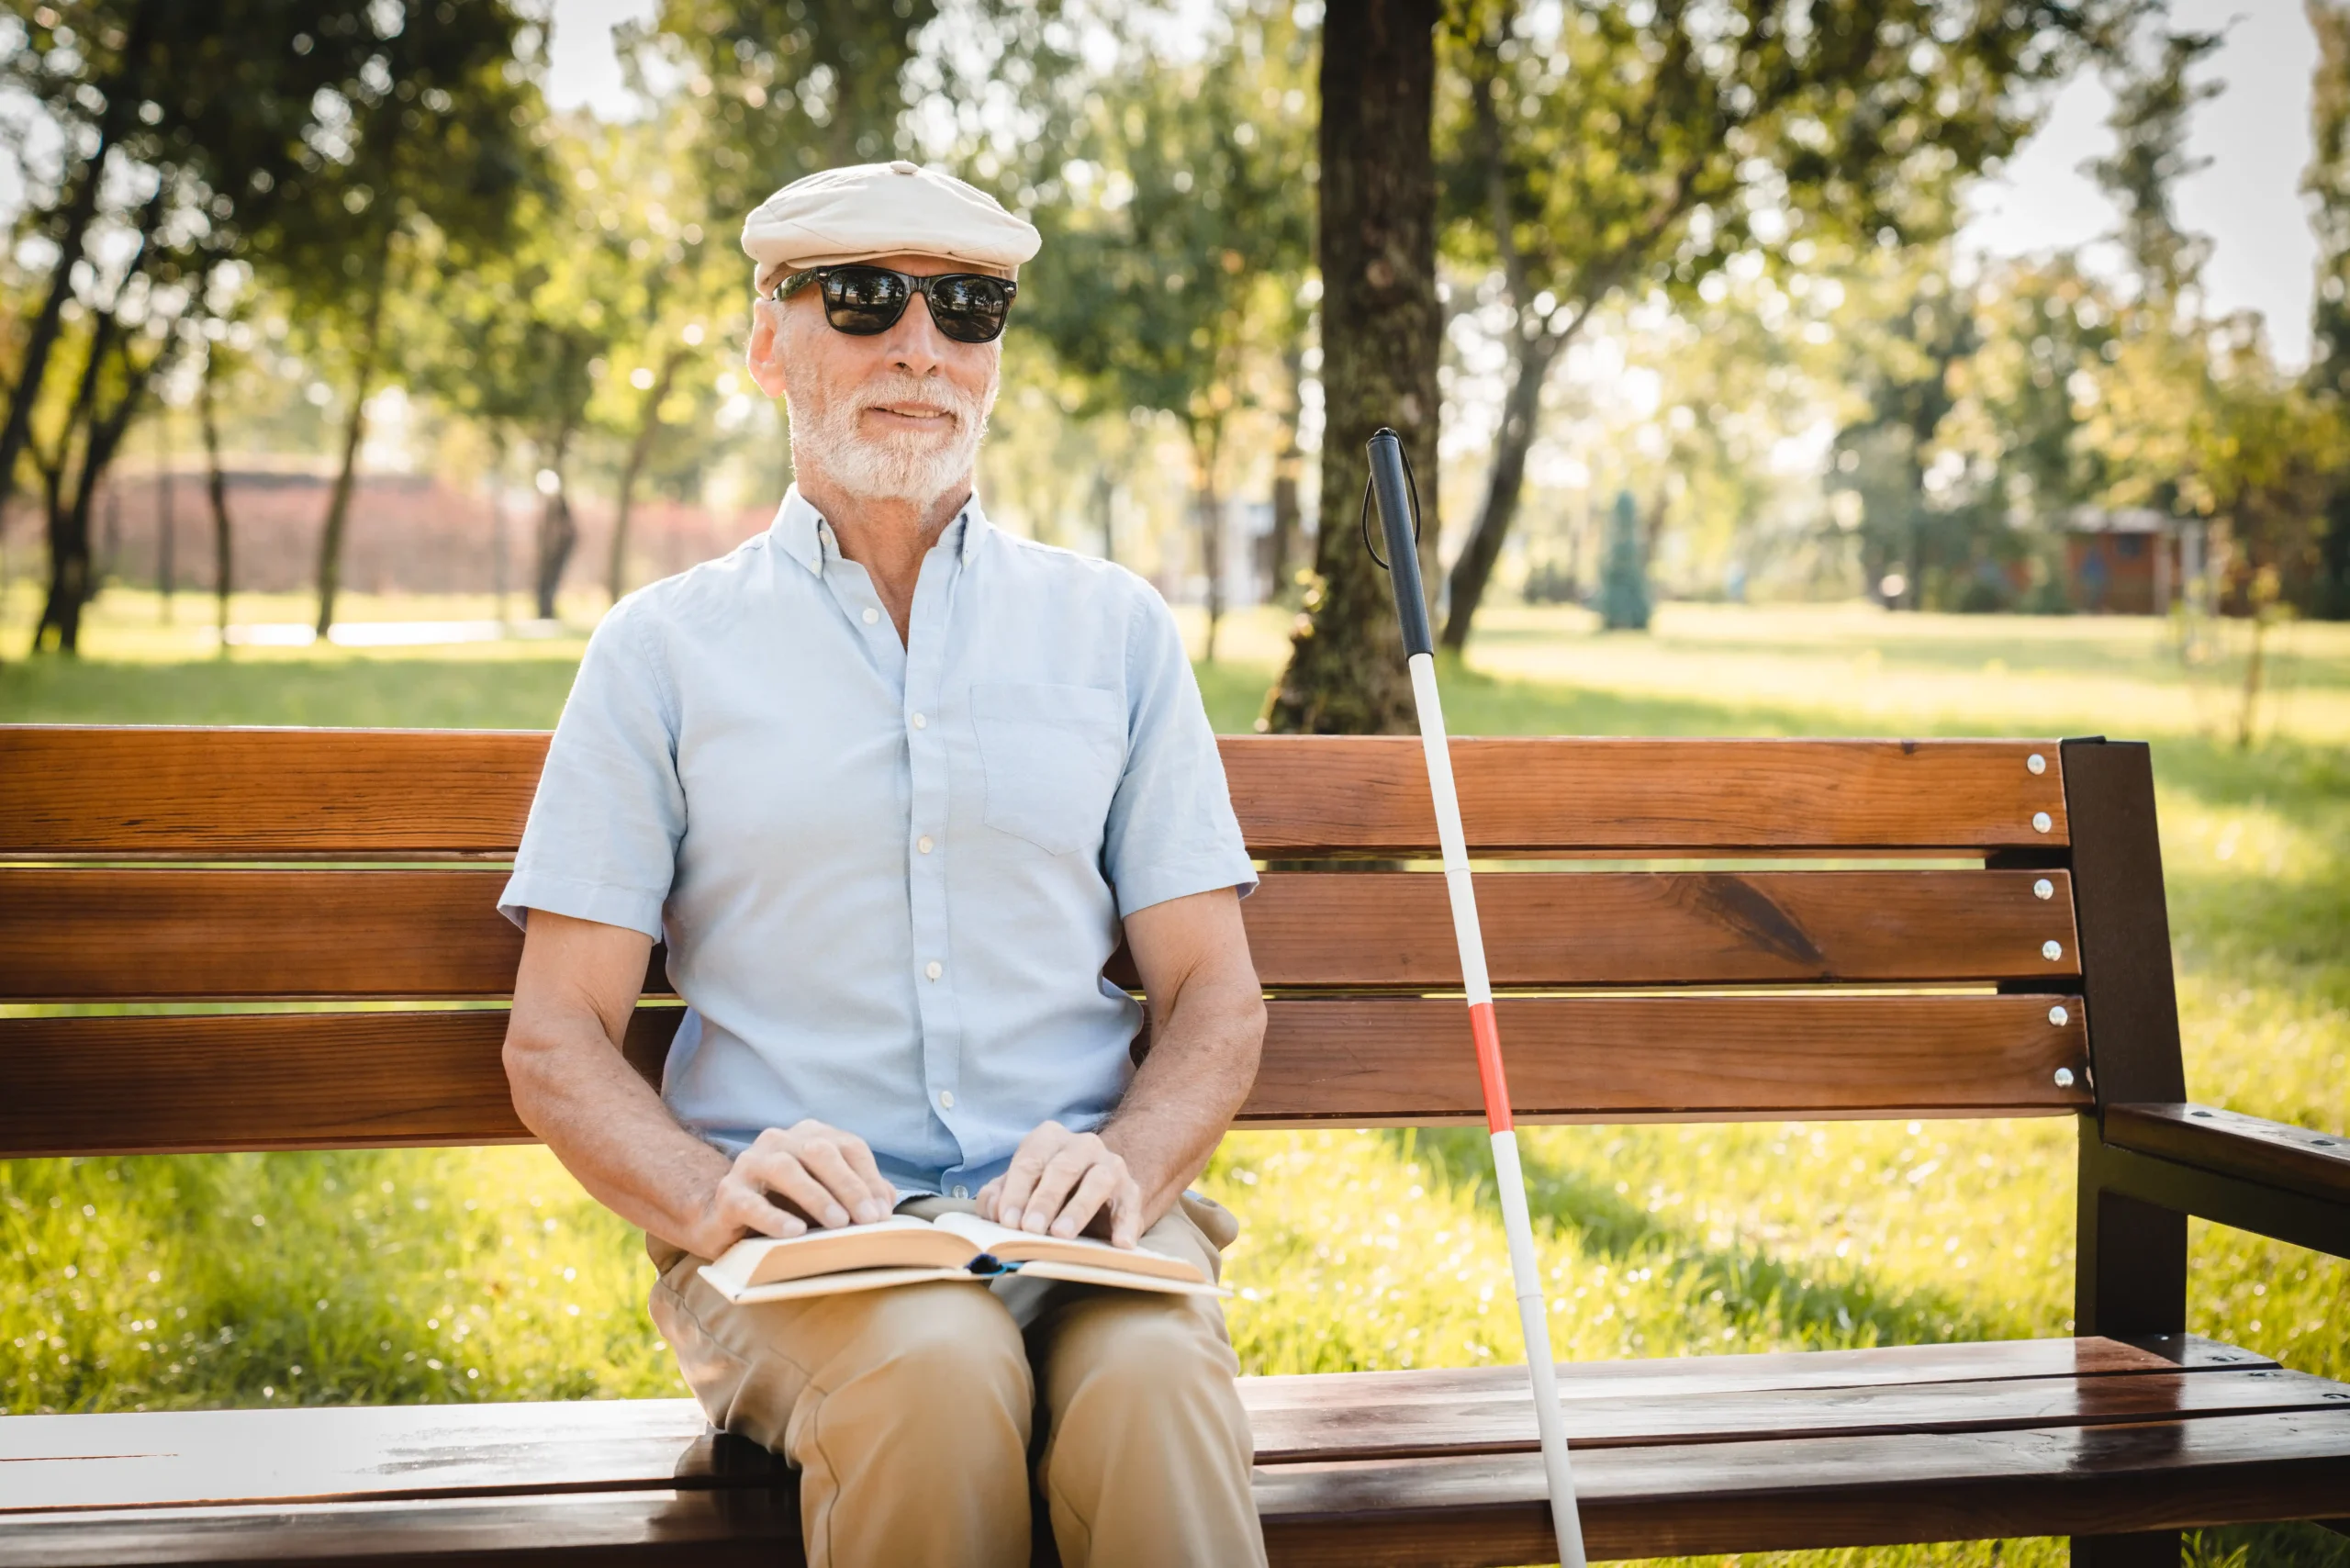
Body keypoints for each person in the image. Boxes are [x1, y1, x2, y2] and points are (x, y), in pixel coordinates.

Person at [496, 160, 1270, 1568]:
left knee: (1157, 1382)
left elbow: (1214, 990)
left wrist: (1133, 1163)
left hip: (1087, 1227)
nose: (920, 344)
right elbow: (556, 1036)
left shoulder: (1115, 632)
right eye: (862, 300)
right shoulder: (661, 654)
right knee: (935, 1365)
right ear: (766, 342)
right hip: (799, 1253)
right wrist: (704, 1200)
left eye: (967, 308)